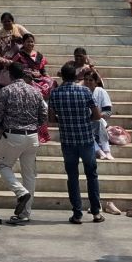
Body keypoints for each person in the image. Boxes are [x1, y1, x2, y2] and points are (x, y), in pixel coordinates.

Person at [47, 62, 105, 224]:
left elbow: (51, 119)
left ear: (62, 76)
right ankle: (96, 213)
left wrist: (65, 121)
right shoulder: (85, 91)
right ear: (75, 76)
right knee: (91, 175)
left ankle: (77, 213)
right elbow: (97, 115)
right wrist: (84, 120)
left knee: (72, 177)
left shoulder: (55, 93)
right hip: (86, 139)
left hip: (68, 141)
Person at [0, 62, 46, 224]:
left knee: (2, 165)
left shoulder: (6, 91)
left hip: (13, 135)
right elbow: (43, 114)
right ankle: (25, 213)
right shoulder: (35, 91)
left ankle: (20, 192)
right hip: (32, 136)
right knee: (29, 175)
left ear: (10, 74)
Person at [83, 69, 114, 161]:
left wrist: (98, 115)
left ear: (96, 82)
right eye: (86, 79)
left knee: (99, 122)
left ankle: (107, 151)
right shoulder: (81, 92)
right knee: (84, 128)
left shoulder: (100, 91)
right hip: (84, 122)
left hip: (99, 122)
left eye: (91, 80)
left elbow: (108, 111)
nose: (88, 82)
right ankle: (99, 151)